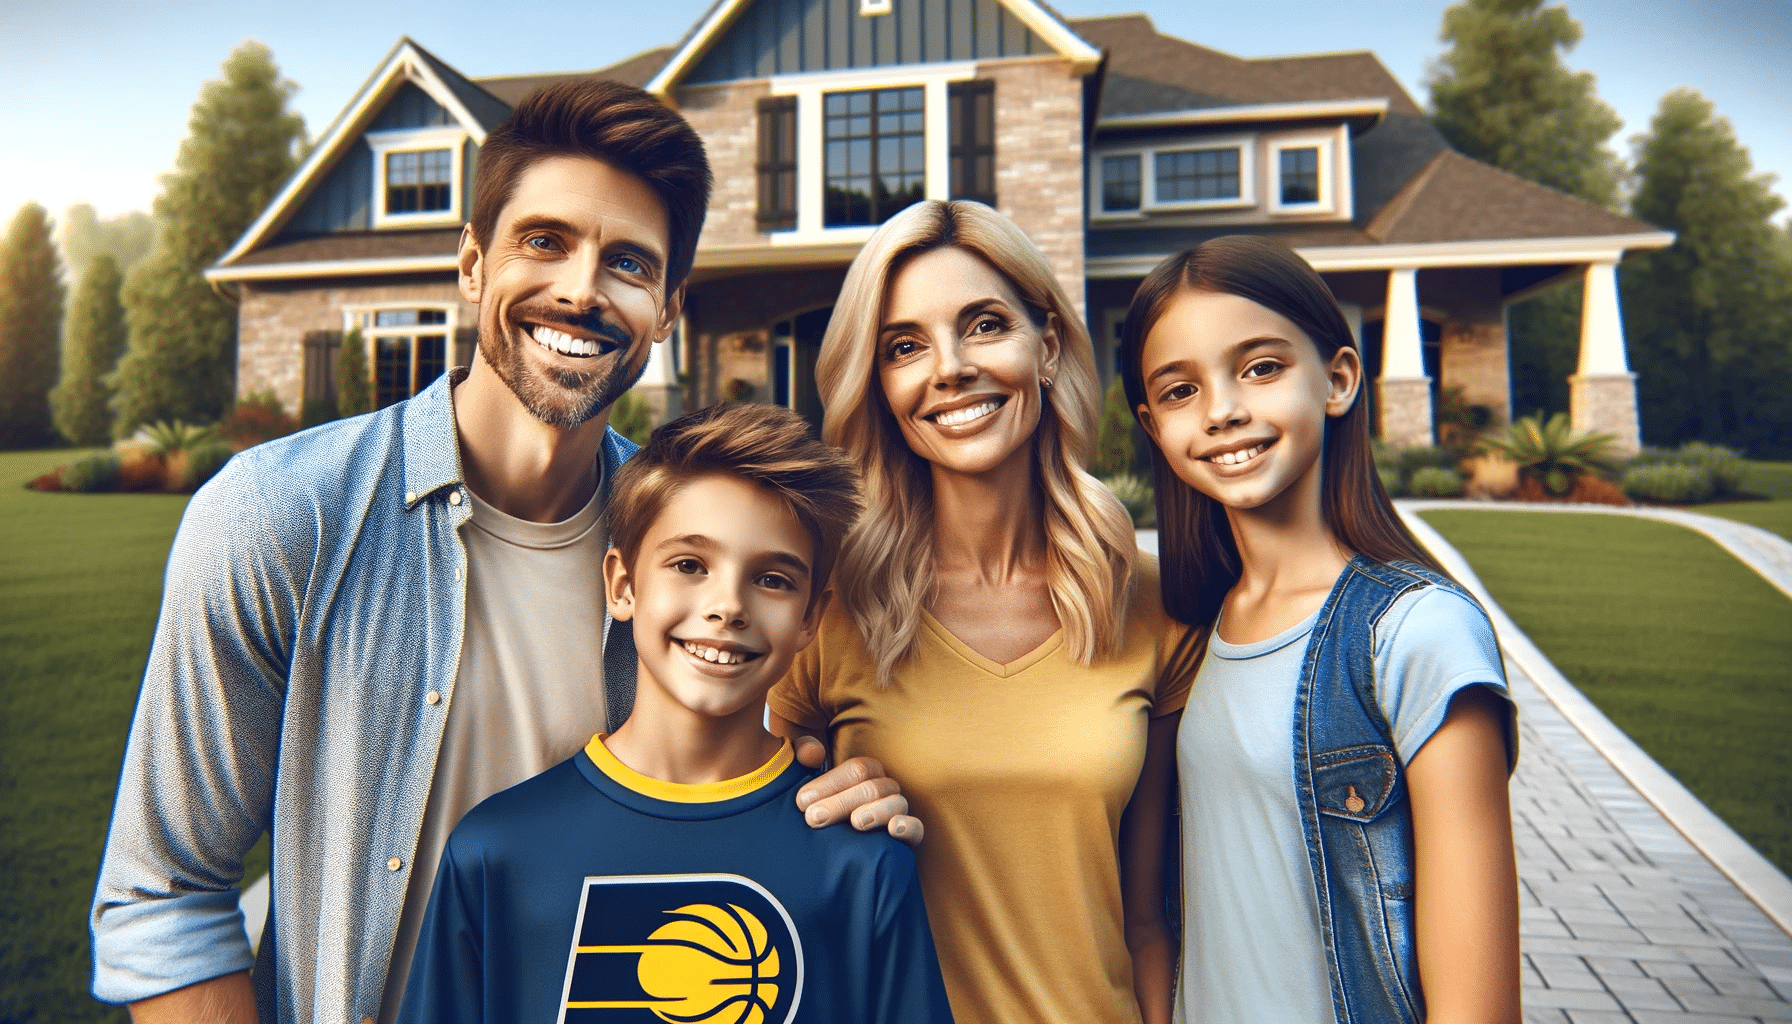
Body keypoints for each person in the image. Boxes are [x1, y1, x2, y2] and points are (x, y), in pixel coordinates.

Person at [91, 80, 913, 1024]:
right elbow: (164, 892)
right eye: (545, 241)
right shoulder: (281, 517)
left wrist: (839, 789)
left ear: (668, 308)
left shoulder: (688, 551)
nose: (580, 288)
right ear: (474, 265)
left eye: (629, 264)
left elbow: (747, 754)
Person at [768, 199, 1198, 1024]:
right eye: (904, 347)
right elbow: (770, 884)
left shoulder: (1150, 602)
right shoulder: (826, 609)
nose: (951, 367)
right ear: (878, 385)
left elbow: (1148, 918)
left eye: (985, 324)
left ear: (1047, 345)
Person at [398, 402, 954, 1024]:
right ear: (623, 585)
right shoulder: (495, 853)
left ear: (810, 620)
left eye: (772, 579)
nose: (727, 606)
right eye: (690, 565)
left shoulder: (861, 861)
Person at [1116, 235, 1520, 1023]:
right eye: (1179, 390)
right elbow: (1150, 916)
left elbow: (1479, 1009)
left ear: (1337, 380)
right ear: (1152, 424)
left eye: (1261, 367)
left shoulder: (1415, 635)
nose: (1224, 409)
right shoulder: (1183, 633)